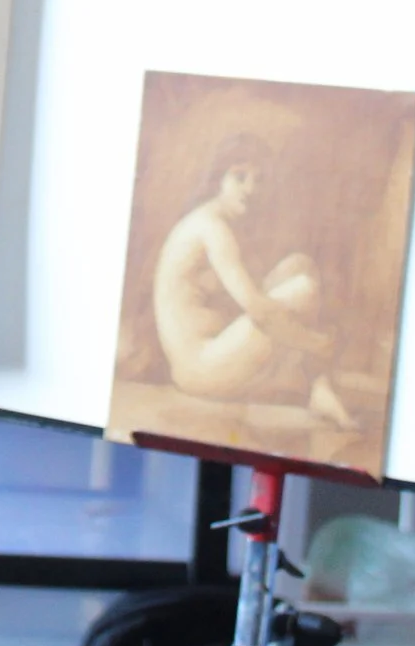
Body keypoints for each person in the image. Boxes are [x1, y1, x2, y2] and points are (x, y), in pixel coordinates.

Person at [148, 136, 354, 428]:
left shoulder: (216, 220)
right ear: (218, 178)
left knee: (300, 265)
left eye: (259, 180)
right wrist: (316, 343)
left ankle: (319, 387)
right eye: (239, 177)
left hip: (213, 355)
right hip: (201, 368)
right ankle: (319, 386)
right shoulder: (212, 228)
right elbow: (257, 309)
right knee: (303, 290)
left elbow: (253, 301)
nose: (250, 189)